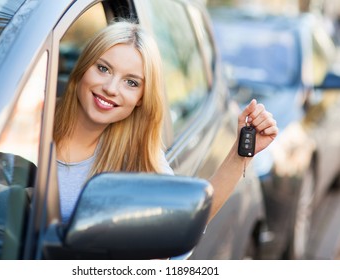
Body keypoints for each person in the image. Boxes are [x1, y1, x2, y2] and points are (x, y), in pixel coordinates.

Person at [53, 21, 278, 224]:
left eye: (131, 82)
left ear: (142, 97)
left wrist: (241, 154)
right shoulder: (30, 117)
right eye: (103, 69)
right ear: (83, 68)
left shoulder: (137, 158)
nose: (111, 89)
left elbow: (186, 220)